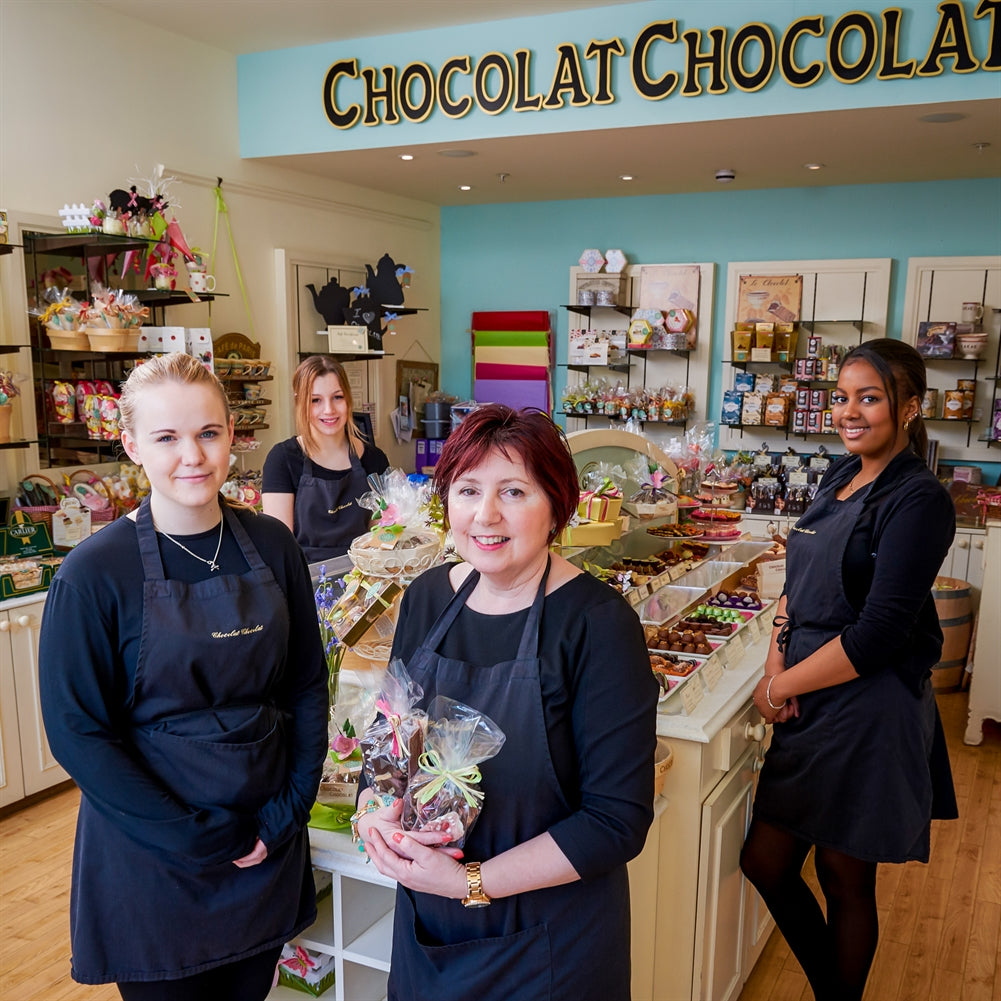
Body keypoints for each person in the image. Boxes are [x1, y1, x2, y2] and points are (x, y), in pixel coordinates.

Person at [38, 353, 329, 1001]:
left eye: (207, 432)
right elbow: (78, 734)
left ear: (232, 434)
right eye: (166, 436)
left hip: (263, 848)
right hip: (155, 865)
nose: (191, 455)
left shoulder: (273, 545)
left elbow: (307, 684)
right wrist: (198, 835)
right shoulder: (91, 574)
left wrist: (286, 812)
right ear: (131, 444)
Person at [354, 404, 659, 1001]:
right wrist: (373, 810)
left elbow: (616, 821)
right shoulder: (424, 601)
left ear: (556, 506)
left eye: (514, 491)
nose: (485, 515)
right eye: (468, 490)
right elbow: (391, 744)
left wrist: (468, 881)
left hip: (550, 948)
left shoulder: (597, 625)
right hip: (430, 934)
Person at [740, 338, 958, 1001]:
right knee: (765, 862)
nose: (849, 411)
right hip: (812, 696)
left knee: (843, 875)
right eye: (840, 396)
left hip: (867, 710)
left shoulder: (918, 500)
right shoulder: (840, 475)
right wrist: (778, 645)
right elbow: (797, 577)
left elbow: (878, 634)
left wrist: (779, 685)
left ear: (910, 407)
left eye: (869, 397)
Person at [262, 354, 389, 561]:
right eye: (315, 400)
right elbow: (279, 547)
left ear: (348, 399)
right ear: (300, 403)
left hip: (364, 581)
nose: (329, 410)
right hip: (305, 583)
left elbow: (382, 537)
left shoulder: (375, 460)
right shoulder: (282, 460)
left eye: (337, 397)